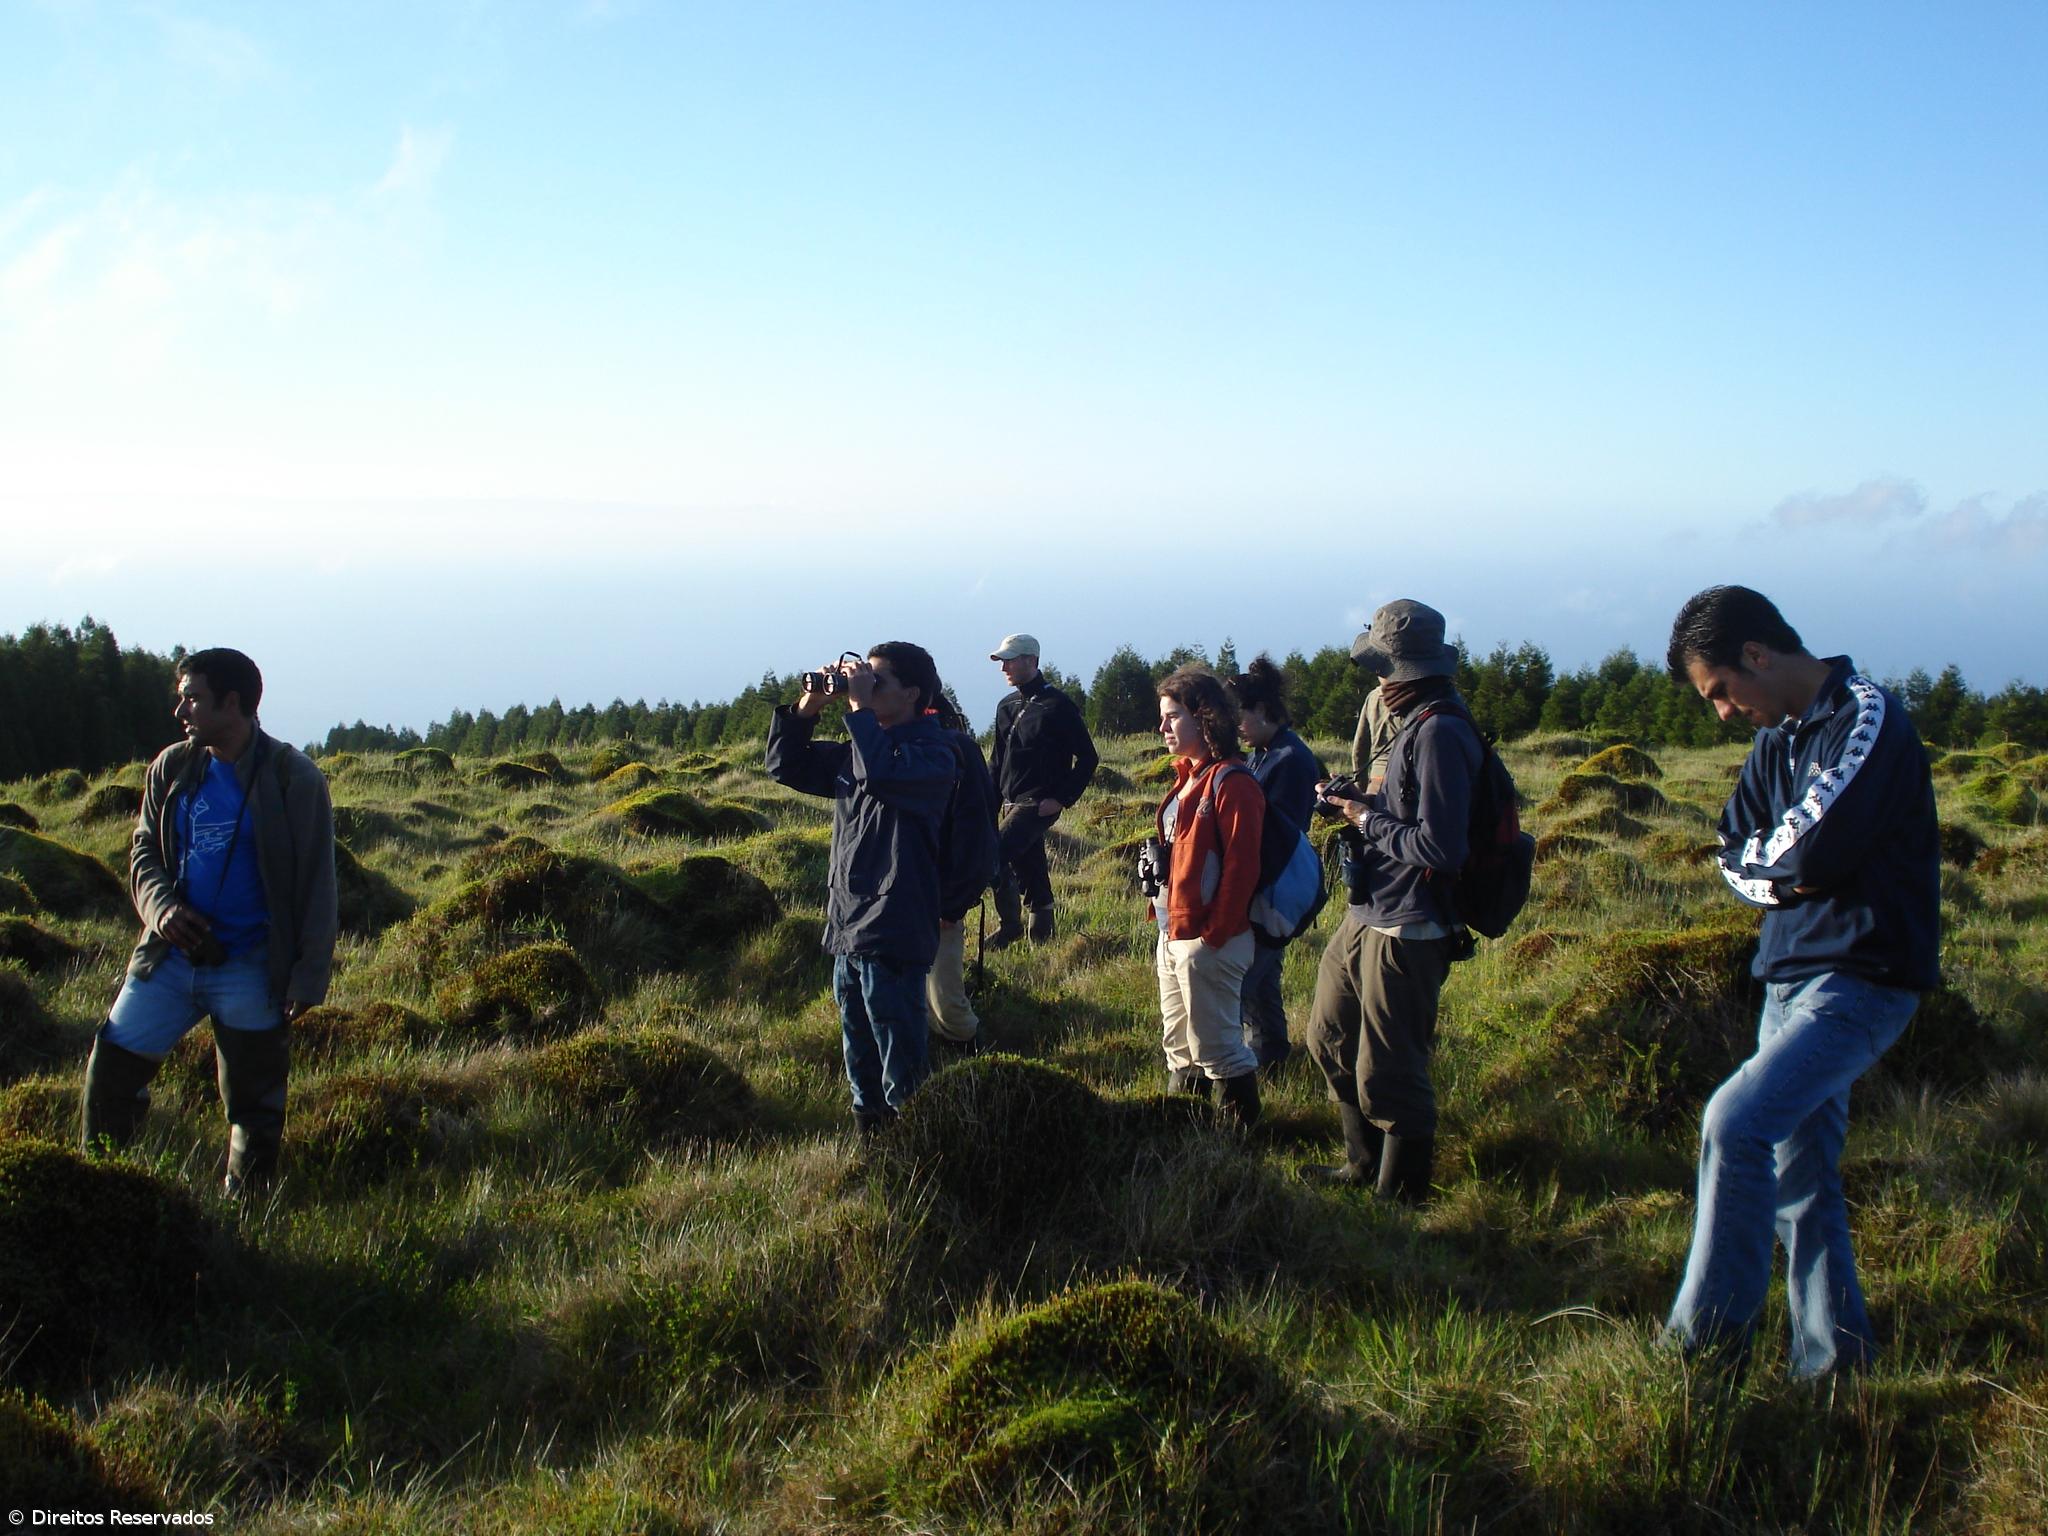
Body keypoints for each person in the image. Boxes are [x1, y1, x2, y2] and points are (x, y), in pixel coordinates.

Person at [1661, 585, 1939, 1378]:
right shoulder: (1776, 744)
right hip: (1785, 979)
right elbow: (1733, 851)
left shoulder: (1865, 718)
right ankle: (1836, 1366)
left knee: (1734, 1123)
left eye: (1720, 691)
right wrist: (1782, 876)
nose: (1721, 712)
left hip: (1861, 979)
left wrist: (1782, 870)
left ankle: (1701, 1356)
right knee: (1800, 1176)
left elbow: (1809, 854)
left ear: (1756, 655)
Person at [80, 648, 338, 1196]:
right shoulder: (172, 767)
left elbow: (318, 882)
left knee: (254, 1107)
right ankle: (99, 1193)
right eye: (183, 698)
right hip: (167, 960)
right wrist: (163, 910)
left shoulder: (294, 778)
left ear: (233, 702)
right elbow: (144, 850)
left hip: (251, 967)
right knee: (111, 1075)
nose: (183, 712)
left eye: (192, 698)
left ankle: (245, 1218)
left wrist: (308, 976)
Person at [1304, 600, 1477, 1204]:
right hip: (1370, 907)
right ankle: (1361, 1163)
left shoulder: (1440, 734)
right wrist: (1360, 803)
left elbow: (1441, 846)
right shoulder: (1412, 725)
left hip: (1412, 920)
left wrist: (1361, 816)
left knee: (1391, 1068)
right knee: (1327, 1035)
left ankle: (1401, 1196)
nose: (1377, 679)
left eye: (1383, 667)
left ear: (1405, 670)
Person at [766, 643, 957, 1132]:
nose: (866, 688)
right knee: (858, 1048)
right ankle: (871, 1143)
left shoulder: (934, 752)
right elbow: (785, 766)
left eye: (879, 681)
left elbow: (885, 774)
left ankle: (916, 1147)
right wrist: (809, 708)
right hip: (849, 922)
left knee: (900, 1053)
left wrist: (858, 709)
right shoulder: (860, 749)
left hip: (894, 924)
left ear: (912, 693)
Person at [1149, 665, 1264, 1129]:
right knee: (1178, 1043)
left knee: (1216, 1046)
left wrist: (1212, 936)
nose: (1163, 728)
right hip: (1172, 933)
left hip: (1208, 941)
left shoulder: (1232, 782)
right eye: (1163, 717)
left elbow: (1242, 866)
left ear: (1205, 718)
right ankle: (1186, 1133)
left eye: (1173, 716)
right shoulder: (1187, 777)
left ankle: (1238, 1148)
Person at [1226, 657, 1325, 1074]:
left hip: (1273, 890)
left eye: (1240, 717)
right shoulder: (1268, 752)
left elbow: (1275, 839)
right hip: (1270, 891)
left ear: (1264, 711)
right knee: (1263, 985)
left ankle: (1239, 1067)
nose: (1236, 727)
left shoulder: (1288, 760)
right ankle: (1273, 1059)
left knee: (1241, 985)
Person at [987, 633, 1099, 947]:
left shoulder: (1058, 705)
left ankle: (1010, 927)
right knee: (1029, 864)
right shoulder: (1005, 706)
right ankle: (1043, 938)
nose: (1003, 668)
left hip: (1037, 803)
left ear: (1030, 660)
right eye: (1002, 661)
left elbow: (1088, 757)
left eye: (1009, 660)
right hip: (1010, 800)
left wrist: (1061, 798)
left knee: (992, 858)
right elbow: (997, 761)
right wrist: (987, 804)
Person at [925, 689, 1000, 1053]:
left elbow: (975, 836)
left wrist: (952, 904)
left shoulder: (958, 752)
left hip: (940, 898)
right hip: (899, 898)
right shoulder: (885, 748)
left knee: (945, 998)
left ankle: (974, 1061)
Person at [1352, 682, 1398, 791]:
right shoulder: (1414, 696)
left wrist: (1361, 788)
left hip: (1376, 779)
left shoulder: (1373, 697)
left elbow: (1359, 749)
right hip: (1404, 779)